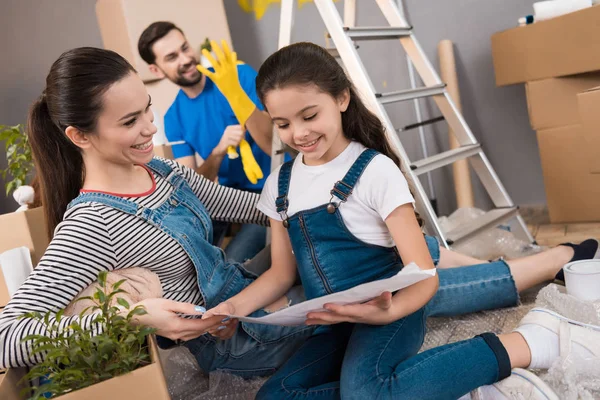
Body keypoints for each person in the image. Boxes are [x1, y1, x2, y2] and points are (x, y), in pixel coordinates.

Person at [202, 42, 600, 400]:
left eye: (309, 115)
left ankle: (530, 340)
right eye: (283, 124)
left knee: (367, 390)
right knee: (274, 396)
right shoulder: (279, 184)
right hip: (337, 319)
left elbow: (424, 277)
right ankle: (429, 383)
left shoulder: (374, 171)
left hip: (393, 306)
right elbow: (280, 274)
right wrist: (232, 308)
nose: (299, 134)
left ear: (342, 98)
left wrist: (386, 313)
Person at [0, 47, 313, 376]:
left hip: (243, 294)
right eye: (130, 121)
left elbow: (253, 208)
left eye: (147, 109)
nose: (150, 128)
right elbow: (7, 337)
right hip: (234, 344)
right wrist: (132, 316)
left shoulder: (162, 172)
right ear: (79, 136)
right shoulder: (92, 225)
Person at [138, 21, 272, 262]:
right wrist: (218, 152)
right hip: (229, 200)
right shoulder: (174, 117)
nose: (186, 59)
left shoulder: (237, 76)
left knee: (231, 263)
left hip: (270, 191)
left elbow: (274, 143)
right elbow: (190, 185)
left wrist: (237, 96)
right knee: (185, 257)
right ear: (157, 70)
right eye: (172, 57)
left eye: (185, 48)